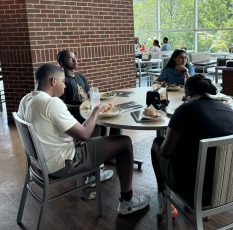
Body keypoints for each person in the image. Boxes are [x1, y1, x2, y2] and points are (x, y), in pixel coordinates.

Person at [17, 63, 150, 215]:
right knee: (124, 142)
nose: (65, 86)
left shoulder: (26, 100)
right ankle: (128, 201)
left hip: (39, 164)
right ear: (53, 81)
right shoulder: (51, 103)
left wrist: (77, 135)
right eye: (63, 82)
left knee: (93, 134)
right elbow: (85, 134)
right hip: (62, 164)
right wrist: (96, 111)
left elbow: (59, 132)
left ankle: (95, 173)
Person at [151, 74, 233, 209]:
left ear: (187, 93)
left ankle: (164, 196)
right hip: (224, 183)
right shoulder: (229, 111)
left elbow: (166, 152)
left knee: (157, 143)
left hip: (192, 186)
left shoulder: (185, 110)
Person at [57, 49, 114, 184]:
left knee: (108, 119)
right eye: (70, 59)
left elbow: (89, 94)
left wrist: (95, 100)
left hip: (87, 112)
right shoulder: (63, 81)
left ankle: (105, 156)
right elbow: (62, 104)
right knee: (99, 124)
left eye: (75, 57)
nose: (75, 60)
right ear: (61, 63)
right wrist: (81, 107)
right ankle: (94, 171)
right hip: (76, 117)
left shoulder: (80, 77)